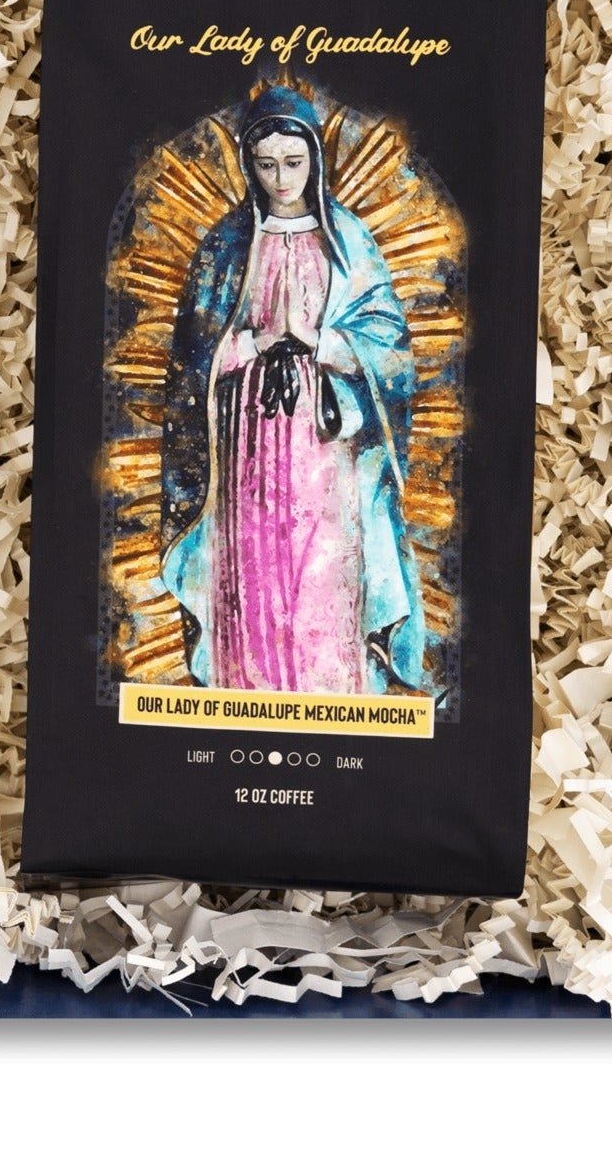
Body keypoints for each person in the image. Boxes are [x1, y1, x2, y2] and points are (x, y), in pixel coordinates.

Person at [159, 84, 425, 695]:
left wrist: (323, 341)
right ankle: (247, 691)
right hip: (245, 431)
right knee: (251, 561)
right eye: (266, 164)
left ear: (315, 160)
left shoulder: (347, 239)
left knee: (319, 567)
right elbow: (192, 353)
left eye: (293, 162)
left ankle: (328, 691)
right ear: (248, 165)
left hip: (323, 435)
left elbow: (389, 343)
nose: (281, 179)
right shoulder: (227, 244)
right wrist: (247, 347)